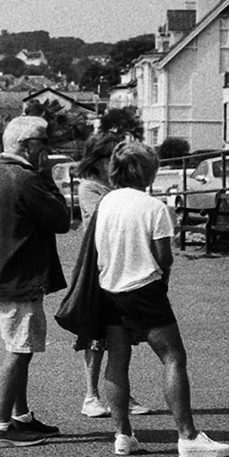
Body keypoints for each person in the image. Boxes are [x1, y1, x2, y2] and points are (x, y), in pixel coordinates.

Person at [86, 139, 229, 457]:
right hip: (145, 291)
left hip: (109, 289)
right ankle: (187, 435)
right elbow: (164, 258)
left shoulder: (106, 204)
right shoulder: (155, 209)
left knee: (117, 362)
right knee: (173, 357)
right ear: (147, 172)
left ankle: (122, 435)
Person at [0, 115, 70, 446]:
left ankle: (20, 417)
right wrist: (48, 177)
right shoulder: (26, 178)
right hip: (20, 277)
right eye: (44, 144)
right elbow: (62, 219)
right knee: (19, 350)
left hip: (3, 273)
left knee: (20, 346)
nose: (48, 151)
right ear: (27, 145)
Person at [71, 130, 153, 420]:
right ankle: (91, 395)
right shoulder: (90, 188)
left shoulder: (115, 186)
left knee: (121, 334)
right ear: (98, 159)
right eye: (110, 158)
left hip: (123, 263)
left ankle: (121, 393)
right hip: (98, 266)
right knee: (96, 332)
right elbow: (99, 221)